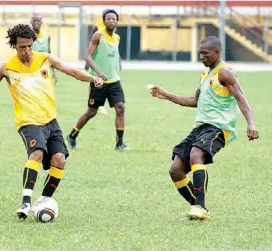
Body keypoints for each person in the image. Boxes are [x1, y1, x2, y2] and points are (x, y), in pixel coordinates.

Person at [0, 24, 103, 220]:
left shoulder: (45, 59)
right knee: (37, 153)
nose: (27, 51)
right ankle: (25, 202)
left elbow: (73, 72)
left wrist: (93, 79)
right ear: (14, 46)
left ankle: (44, 200)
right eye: (22, 47)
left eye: (30, 46)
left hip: (50, 121)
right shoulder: (6, 68)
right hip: (28, 122)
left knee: (60, 159)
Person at [149, 36, 259, 221]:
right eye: (200, 53)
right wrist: (166, 95)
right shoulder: (205, 75)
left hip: (218, 127)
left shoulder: (225, 73)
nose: (201, 57)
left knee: (196, 155)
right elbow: (194, 101)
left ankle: (201, 207)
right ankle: (198, 210)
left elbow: (241, 97)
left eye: (205, 53)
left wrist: (251, 123)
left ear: (217, 53)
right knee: (175, 169)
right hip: (200, 127)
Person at [67, 9, 129, 151]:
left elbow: (114, 53)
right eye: (109, 19)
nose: (112, 21)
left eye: (114, 19)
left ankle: (119, 144)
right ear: (104, 20)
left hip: (114, 81)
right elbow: (88, 57)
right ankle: (72, 135)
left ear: (117, 21)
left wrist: (119, 61)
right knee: (91, 112)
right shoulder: (98, 36)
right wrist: (98, 73)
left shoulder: (117, 38)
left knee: (121, 108)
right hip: (98, 82)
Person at [30, 12, 57, 85]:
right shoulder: (27, 37)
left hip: (44, 70)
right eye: (34, 20)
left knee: (45, 91)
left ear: (41, 22)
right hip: (31, 71)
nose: (36, 22)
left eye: (38, 21)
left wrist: (54, 72)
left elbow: (49, 54)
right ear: (31, 22)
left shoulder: (46, 37)